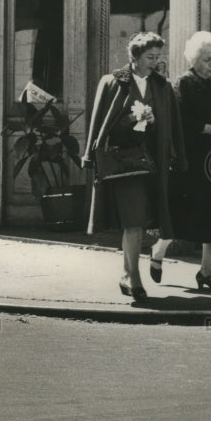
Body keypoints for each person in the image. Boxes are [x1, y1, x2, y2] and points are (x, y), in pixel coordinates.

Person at [83, 32, 186, 302]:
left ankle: (127, 274)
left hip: (154, 163)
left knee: (141, 221)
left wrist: (177, 156)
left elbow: (173, 126)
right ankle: (133, 277)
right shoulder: (113, 82)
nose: (155, 62)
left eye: (157, 57)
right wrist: (131, 119)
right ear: (135, 57)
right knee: (134, 221)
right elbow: (100, 124)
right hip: (124, 162)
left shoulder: (162, 87)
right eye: (150, 57)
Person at [149, 32, 211, 291]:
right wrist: (206, 127)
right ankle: (158, 252)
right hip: (189, 161)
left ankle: (206, 274)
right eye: (207, 59)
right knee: (179, 216)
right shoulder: (183, 84)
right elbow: (177, 124)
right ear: (194, 59)